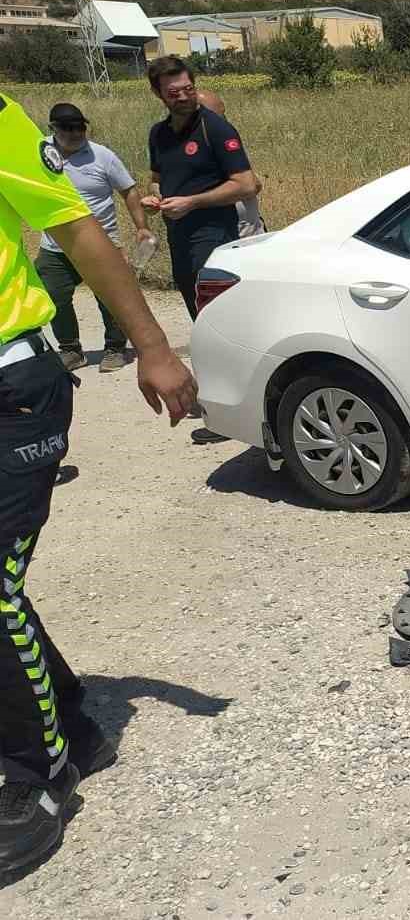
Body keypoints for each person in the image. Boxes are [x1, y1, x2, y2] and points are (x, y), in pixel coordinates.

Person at [0, 90, 197, 874]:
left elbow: (78, 228)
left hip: (13, 382)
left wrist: (152, 344)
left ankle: (35, 776)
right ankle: (75, 728)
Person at [142, 56, 256, 445]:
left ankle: (228, 413)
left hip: (214, 237)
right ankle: (223, 405)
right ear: (158, 94)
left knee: (217, 323)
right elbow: (159, 180)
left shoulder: (216, 128)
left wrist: (193, 202)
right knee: (199, 321)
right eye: (175, 93)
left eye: (189, 88)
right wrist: (155, 199)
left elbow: (245, 184)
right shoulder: (158, 134)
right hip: (179, 238)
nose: (185, 97)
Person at [32, 103, 154, 374]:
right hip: (55, 245)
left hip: (101, 243)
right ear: (52, 128)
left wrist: (141, 227)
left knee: (109, 296)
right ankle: (71, 350)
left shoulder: (103, 156)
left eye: (80, 127)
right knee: (54, 296)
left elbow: (129, 190)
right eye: (67, 128)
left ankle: (115, 347)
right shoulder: (38, 153)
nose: (75, 133)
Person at [195, 90, 265, 237]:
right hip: (226, 233)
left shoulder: (226, 138)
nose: (224, 121)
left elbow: (253, 185)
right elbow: (251, 185)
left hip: (249, 230)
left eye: (224, 114)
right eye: (219, 116)